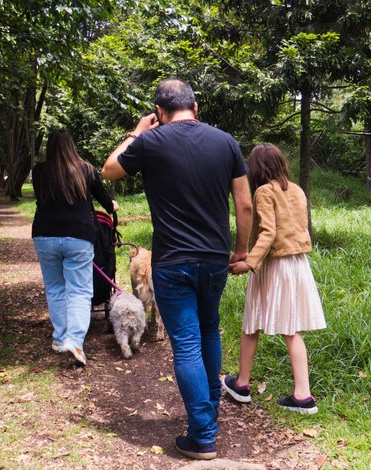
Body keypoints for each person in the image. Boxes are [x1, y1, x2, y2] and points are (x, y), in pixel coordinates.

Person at [102, 78, 252, 460]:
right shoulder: (226, 142)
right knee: (209, 332)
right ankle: (210, 412)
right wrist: (241, 251)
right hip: (216, 259)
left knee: (186, 344)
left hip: (172, 262)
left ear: (159, 113)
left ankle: (203, 436)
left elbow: (108, 170)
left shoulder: (151, 142)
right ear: (196, 107)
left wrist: (137, 131)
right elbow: (244, 205)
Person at [223, 143, 326, 414]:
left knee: (253, 322)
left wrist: (248, 263)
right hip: (297, 264)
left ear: (257, 168)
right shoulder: (296, 189)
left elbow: (267, 234)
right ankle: (298, 394)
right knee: (290, 329)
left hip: (273, 264)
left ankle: (245, 384)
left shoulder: (264, 192)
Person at [32, 129, 118, 367]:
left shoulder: (39, 171)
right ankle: (75, 341)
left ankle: (60, 339)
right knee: (80, 290)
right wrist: (113, 206)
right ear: (72, 146)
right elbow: (105, 202)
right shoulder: (86, 170)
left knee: (55, 288)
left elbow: (44, 200)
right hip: (79, 236)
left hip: (45, 235)